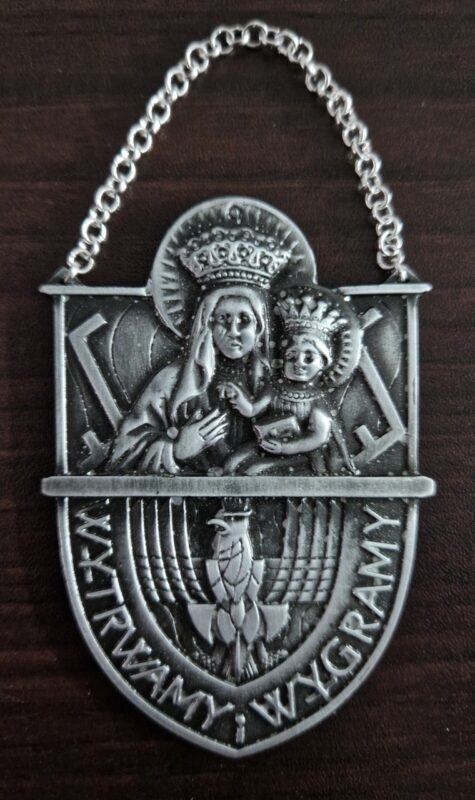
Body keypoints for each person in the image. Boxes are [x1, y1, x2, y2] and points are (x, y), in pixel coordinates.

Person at [107, 286, 270, 475]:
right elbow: (122, 453)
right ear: (208, 324)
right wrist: (175, 450)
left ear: (258, 327)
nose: (233, 331)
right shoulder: (174, 378)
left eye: (244, 319)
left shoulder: (272, 382)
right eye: (223, 318)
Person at [220, 289, 348, 475]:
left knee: (255, 470)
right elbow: (251, 410)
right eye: (292, 356)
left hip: (300, 453)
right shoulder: (274, 388)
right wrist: (236, 393)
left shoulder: (315, 399)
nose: (299, 364)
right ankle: (224, 473)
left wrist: (286, 448)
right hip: (267, 443)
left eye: (309, 358)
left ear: (323, 363)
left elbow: (319, 437)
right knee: (233, 460)